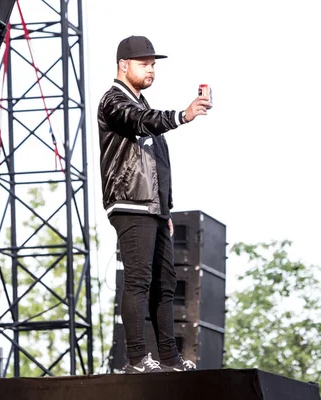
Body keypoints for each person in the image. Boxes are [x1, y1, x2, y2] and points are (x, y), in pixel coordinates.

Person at [98, 35, 210, 373]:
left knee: (165, 283)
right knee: (138, 281)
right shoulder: (114, 102)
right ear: (124, 65)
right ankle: (136, 359)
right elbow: (139, 122)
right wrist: (182, 115)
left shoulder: (143, 105)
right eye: (144, 63)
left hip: (154, 207)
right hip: (130, 202)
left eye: (153, 64)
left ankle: (170, 360)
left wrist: (167, 207)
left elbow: (158, 161)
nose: (151, 69)